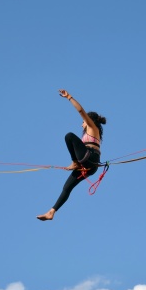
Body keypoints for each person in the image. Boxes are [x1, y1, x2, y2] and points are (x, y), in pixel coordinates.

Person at [37, 89, 107, 221]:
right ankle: (52, 212)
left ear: (89, 120)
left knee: (69, 136)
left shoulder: (93, 128)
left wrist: (69, 97)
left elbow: (81, 111)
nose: (81, 124)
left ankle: (75, 162)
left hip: (90, 157)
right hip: (90, 166)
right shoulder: (88, 135)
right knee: (67, 187)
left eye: (83, 121)